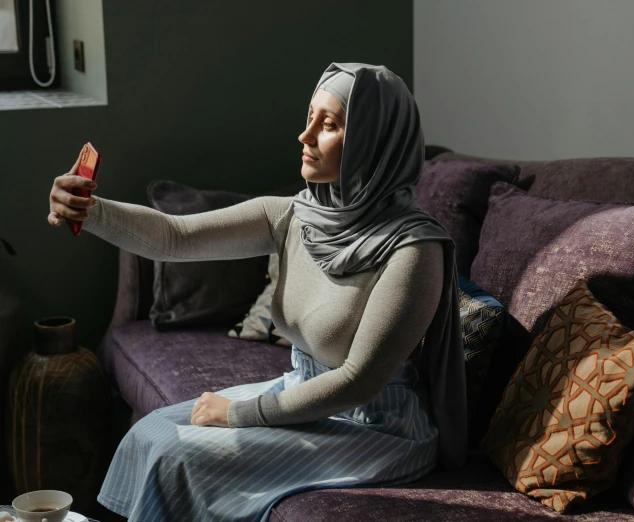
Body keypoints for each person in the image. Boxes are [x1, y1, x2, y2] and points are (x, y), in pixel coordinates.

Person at [47, 62, 467, 521]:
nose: (304, 136)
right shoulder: (293, 216)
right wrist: (91, 210)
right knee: (150, 434)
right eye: (309, 116)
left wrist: (239, 414)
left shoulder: (414, 250)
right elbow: (173, 237)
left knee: (179, 456)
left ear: (374, 141)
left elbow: (357, 383)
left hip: (376, 428)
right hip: (301, 391)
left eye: (328, 124)